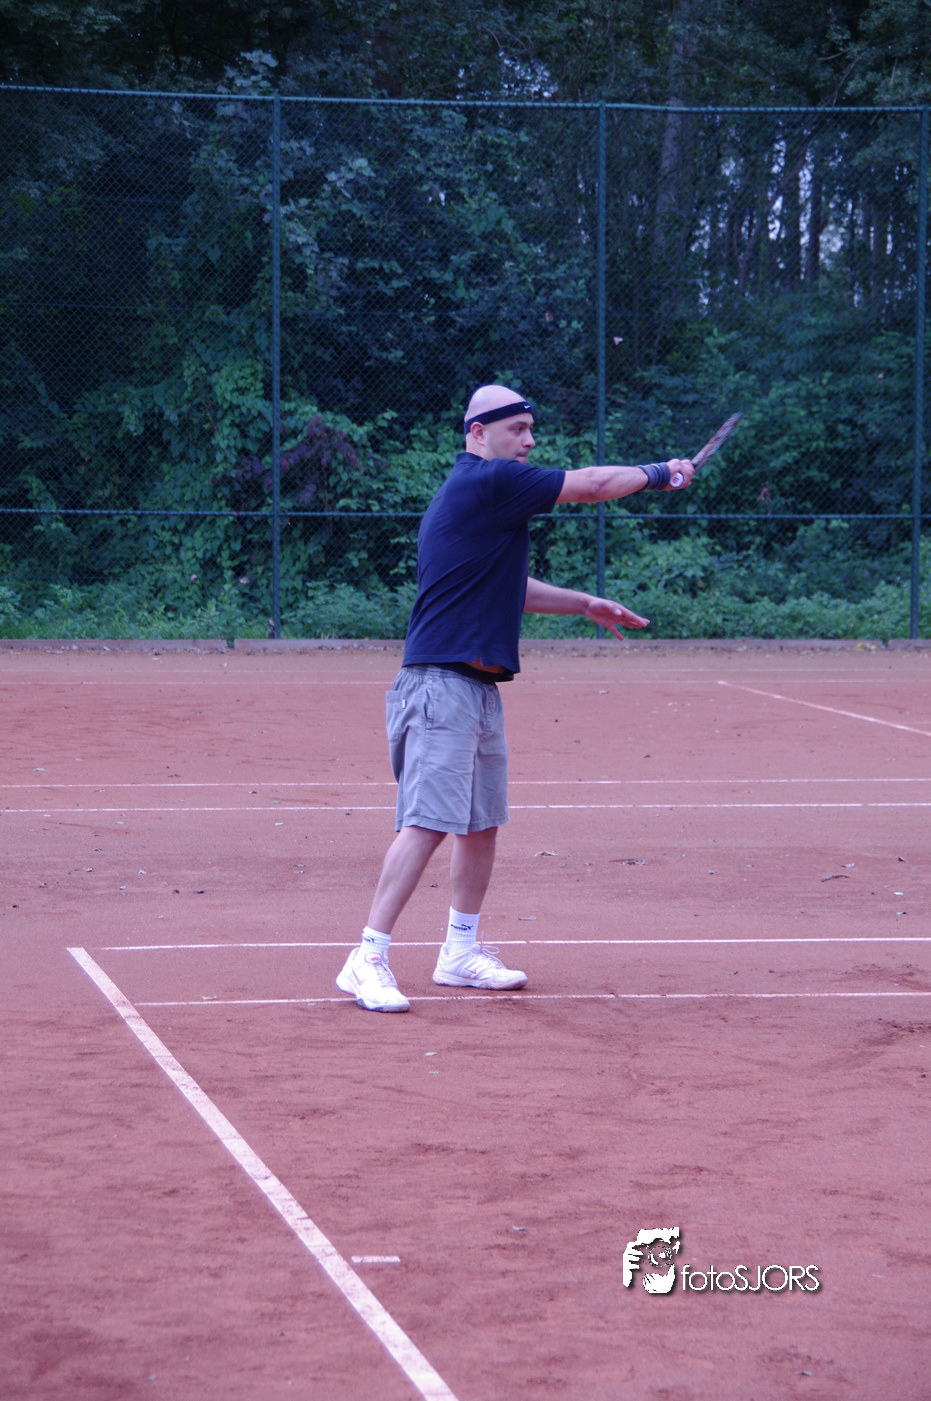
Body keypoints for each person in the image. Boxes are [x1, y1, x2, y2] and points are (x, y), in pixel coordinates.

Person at [336, 384, 694, 1012]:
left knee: (480, 826)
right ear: (478, 433)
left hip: (476, 687)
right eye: (518, 430)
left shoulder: (483, 498)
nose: (530, 441)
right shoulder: (488, 480)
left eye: (531, 430)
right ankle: (366, 957)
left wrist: (583, 603)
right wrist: (662, 472)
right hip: (439, 685)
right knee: (428, 823)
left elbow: (509, 585)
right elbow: (592, 485)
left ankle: (459, 952)